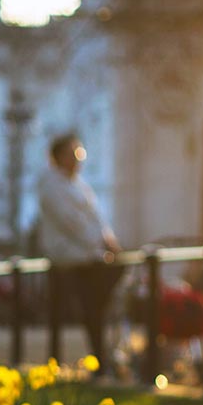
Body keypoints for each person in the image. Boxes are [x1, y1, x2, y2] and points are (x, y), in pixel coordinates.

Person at [37, 131, 122, 374]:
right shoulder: (51, 184)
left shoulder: (77, 184)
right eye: (74, 153)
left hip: (88, 255)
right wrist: (101, 242)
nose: (78, 159)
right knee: (90, 309)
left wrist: (108, 239)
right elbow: (71, 221)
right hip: (71, 258)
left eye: (80, 153)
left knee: (94, 309)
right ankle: (88, 361)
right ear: (59, 156)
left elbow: (96, 218)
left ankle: (100, 359)